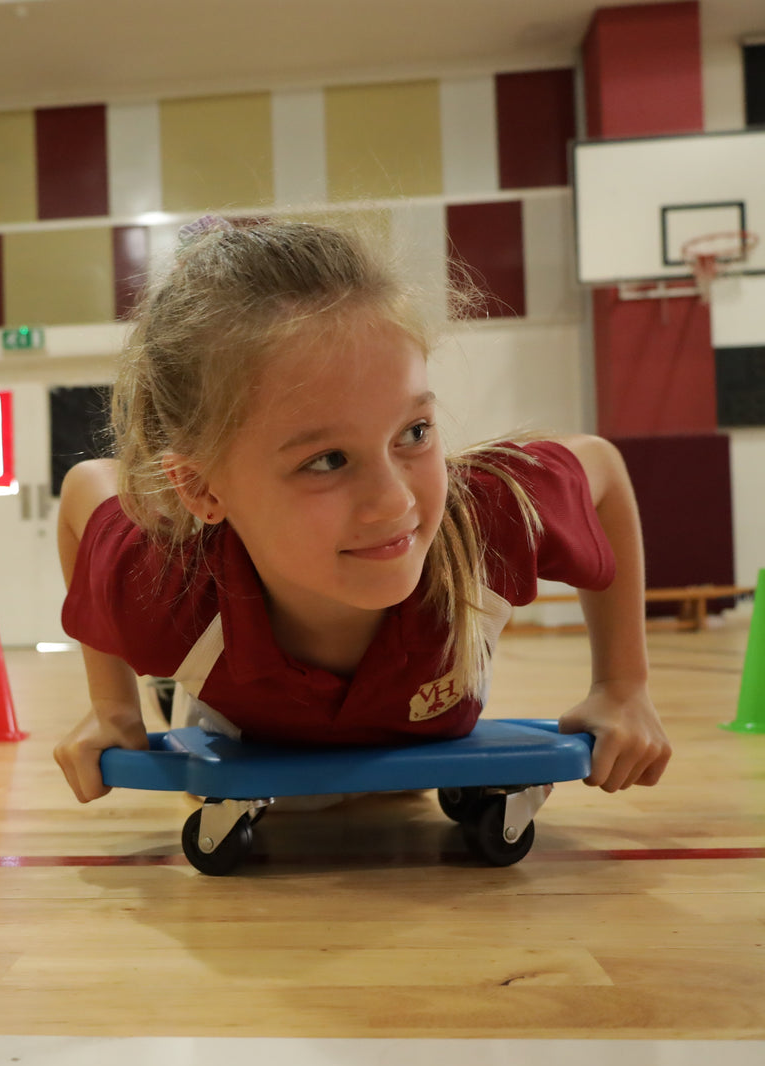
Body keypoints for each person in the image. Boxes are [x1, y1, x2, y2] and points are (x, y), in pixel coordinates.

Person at [54, 218, 670, 804]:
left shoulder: (489, 517)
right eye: (327, 461)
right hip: (234, 720)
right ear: (201, 489)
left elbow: (601, 467)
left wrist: (623, 686)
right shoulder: (165, 591)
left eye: (415, 432)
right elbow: (86, 486)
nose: (396, 502)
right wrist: (112, 705)